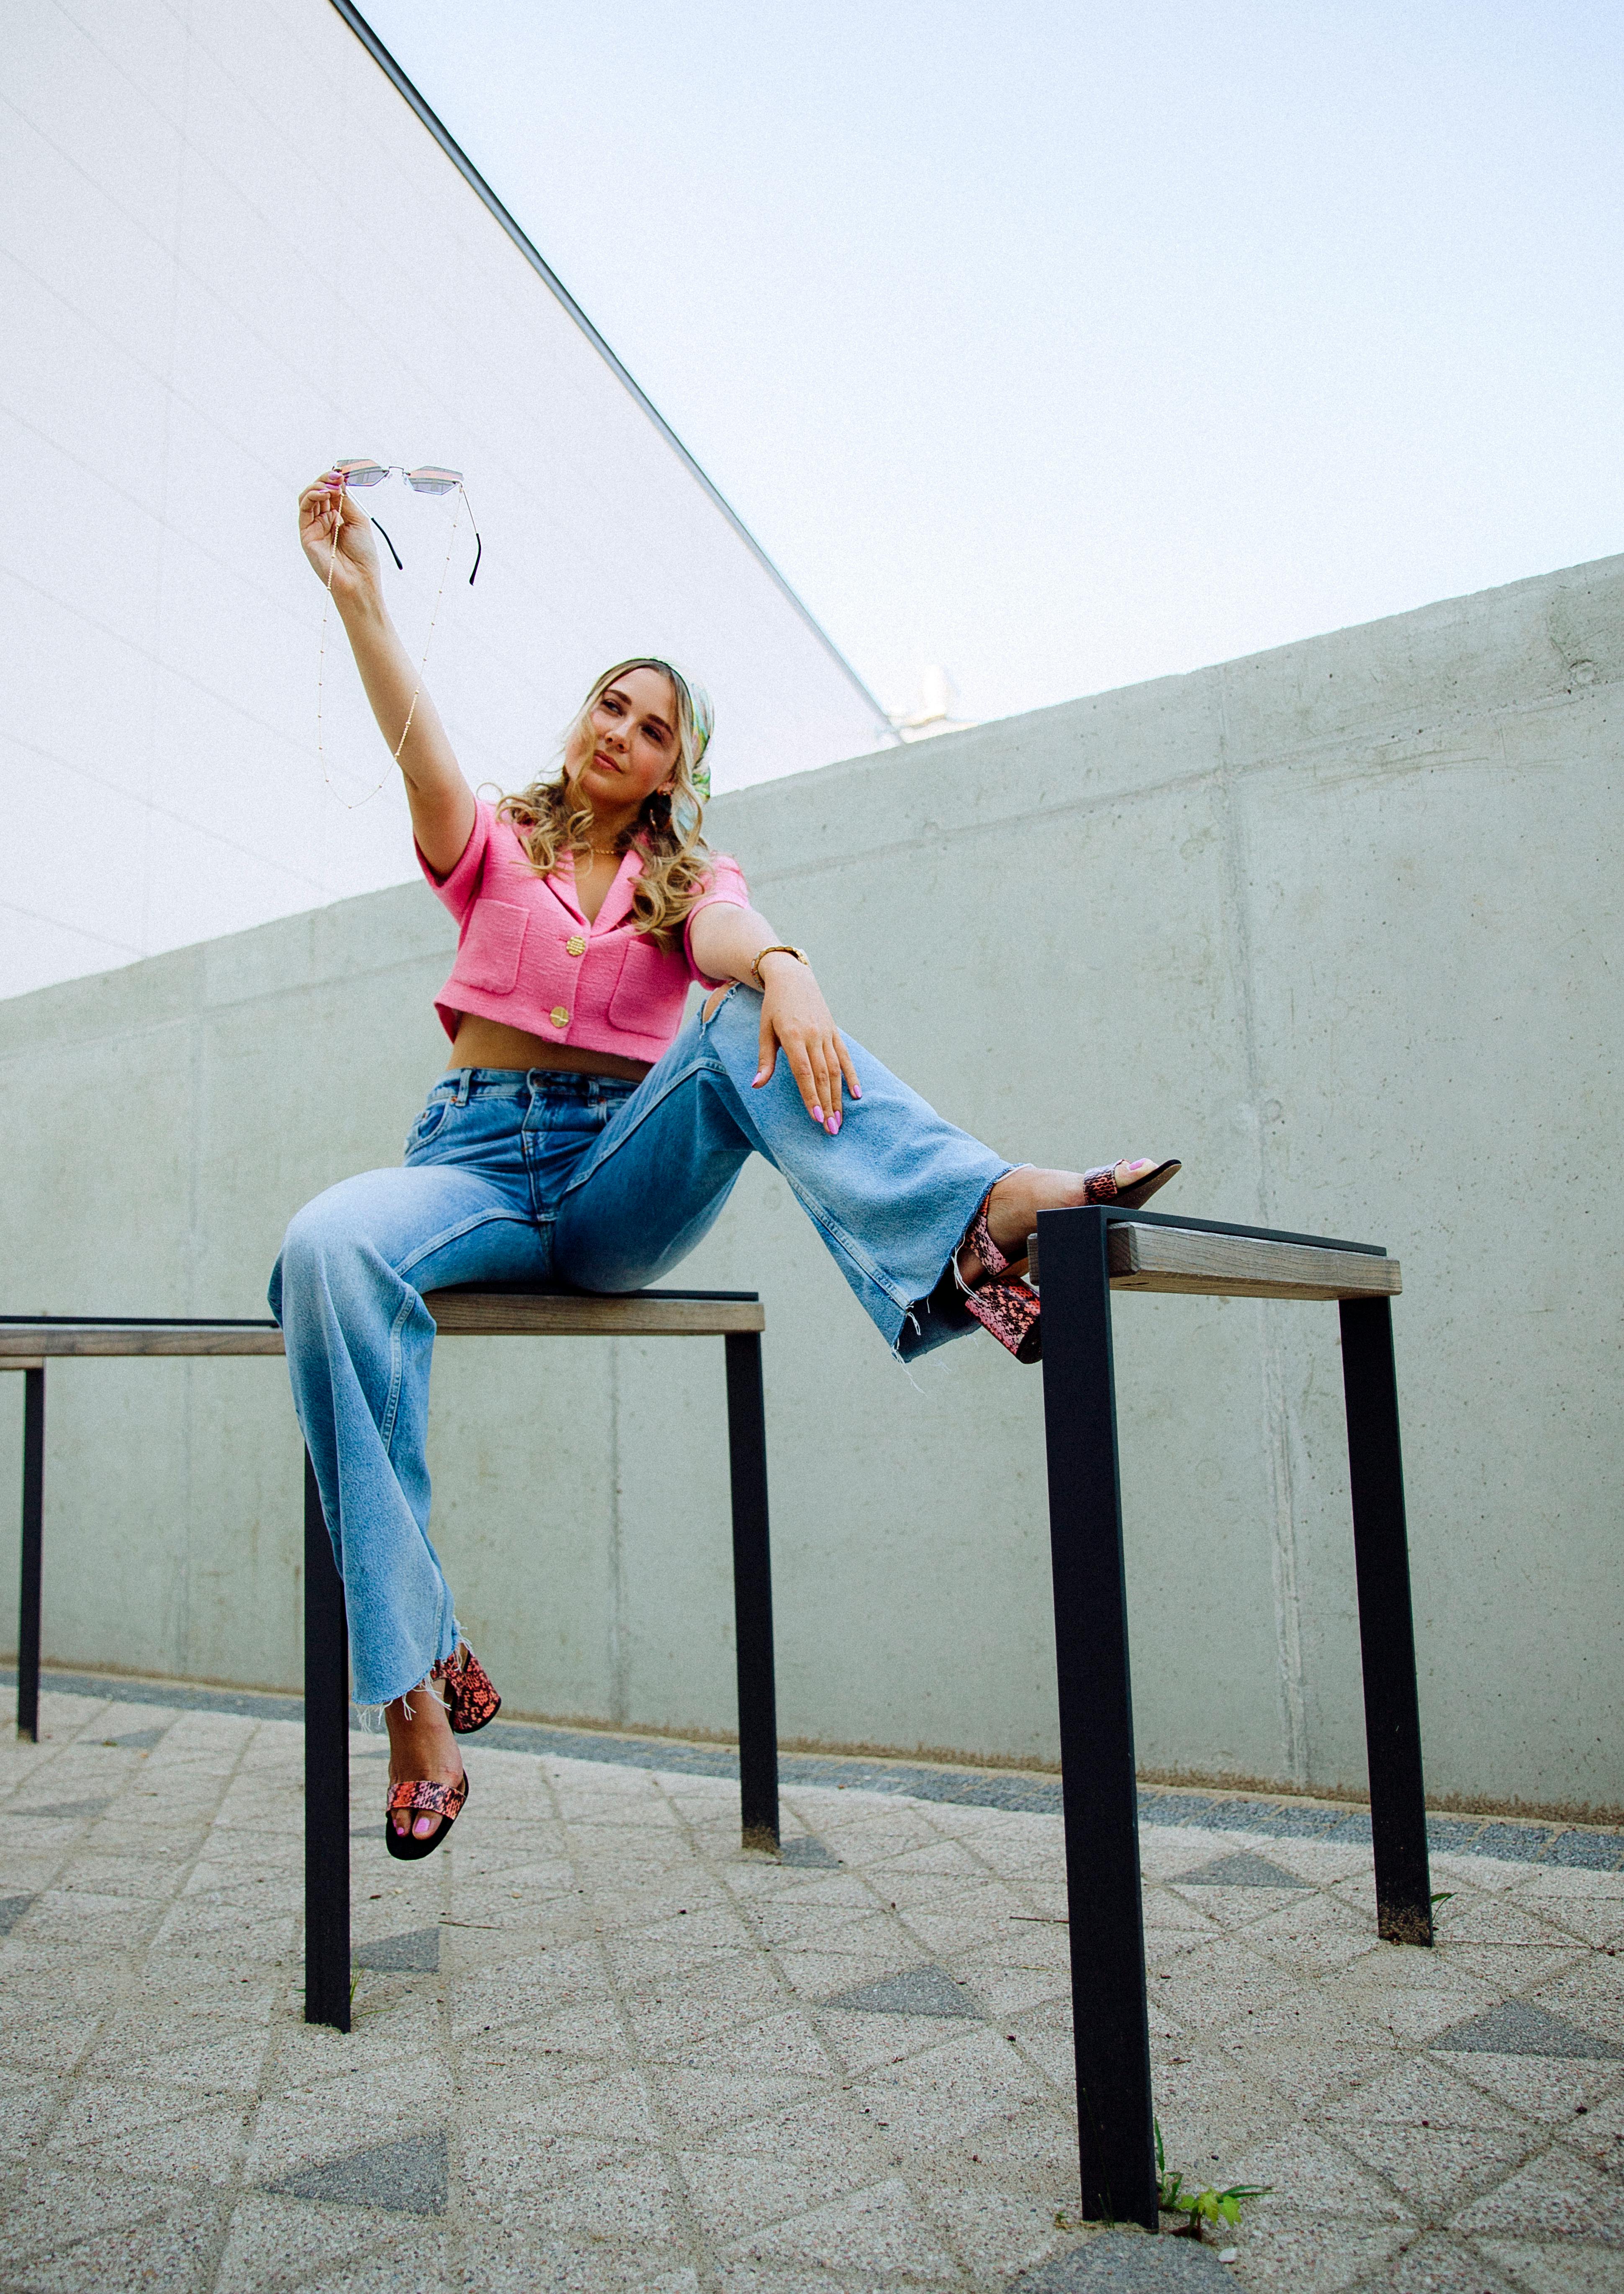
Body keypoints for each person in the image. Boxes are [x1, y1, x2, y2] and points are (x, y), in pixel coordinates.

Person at [273, 468, 1179, 1858]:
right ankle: (414, 1687)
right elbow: (421, 754)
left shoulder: (687, 880)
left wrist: (787, 967)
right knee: (322, 1249)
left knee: (742, 1018)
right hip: (462, 1169)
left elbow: (728, 933)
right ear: (581, 722)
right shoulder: (497, 845)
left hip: (612, 1178)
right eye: (611, 705)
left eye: (654, 729)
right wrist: (360, 603)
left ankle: (977, 1215)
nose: (623, 733)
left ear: (674, 771)